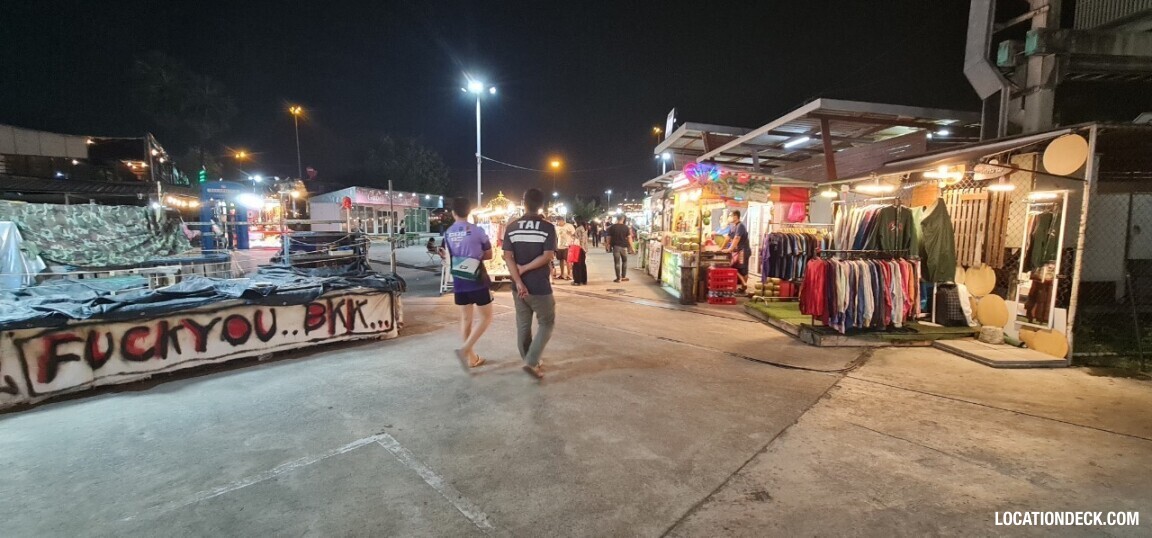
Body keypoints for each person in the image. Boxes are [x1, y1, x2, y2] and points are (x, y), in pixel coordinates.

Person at [504, 189, 557, 379]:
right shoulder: (547, 227)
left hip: (518, 287)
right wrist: (525, 269)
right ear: (541, 205)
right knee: (546, 322)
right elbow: (548, 256)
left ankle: (529, 359)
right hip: (540, 287)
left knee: (523, 325)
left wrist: (518, 280)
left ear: (523, 203)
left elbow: (507, 256)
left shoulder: (511, 227)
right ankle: (531, 361)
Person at [441, 197, 494, 371]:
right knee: (486, 317)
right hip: (477, 277)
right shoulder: (478, 231)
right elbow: (489, 254)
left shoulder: (448, 232)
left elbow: (446, 254)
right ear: (469, 211)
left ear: (453, 213)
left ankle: (472, 358)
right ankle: (465, 350)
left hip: (459, 279)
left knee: (466, 319)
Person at [722, 209, 752, 291]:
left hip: (743, 251)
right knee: (732, 266)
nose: (729, 217)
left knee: (743, 270)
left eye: (731, 215)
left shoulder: (740, 226)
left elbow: (736, 238)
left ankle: (743, 288)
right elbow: (727, 238)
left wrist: (729, 249)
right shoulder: (733, 226)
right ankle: (743, 284)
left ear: (736, 216)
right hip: (737, 251)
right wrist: (721, 248)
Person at [608, 215, 633, 282]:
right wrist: (632, 247)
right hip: (624, 247)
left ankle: (618, 278)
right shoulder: (626, 227)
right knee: (624, 261)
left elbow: (609, 237)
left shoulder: (612, 227)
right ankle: (623, 276)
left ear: (617, 218)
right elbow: (629, 238)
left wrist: (608, 245)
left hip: (616, 247)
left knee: (617, 262)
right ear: (623, 219)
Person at [554, 216, 576, 281]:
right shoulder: (556, 227)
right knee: (561, 260)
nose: (557, 223)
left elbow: (574, 235)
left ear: (562, 220)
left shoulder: (569, 226)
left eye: (558, 221)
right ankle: (562, 274)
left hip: (567, 245)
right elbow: (556, 236)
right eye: (557, 221)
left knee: (568, 260)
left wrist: (570, 234)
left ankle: (569, 274)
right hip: (559, 246)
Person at [570, 218, 589, 285]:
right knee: (582, 264)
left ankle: (577, 281)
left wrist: (571, 235)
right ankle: (584, 280)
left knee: (576, 265)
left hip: (578, 248)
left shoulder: (578, 229)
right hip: (583, 249)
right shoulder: (584, 228)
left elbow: (577, 239)